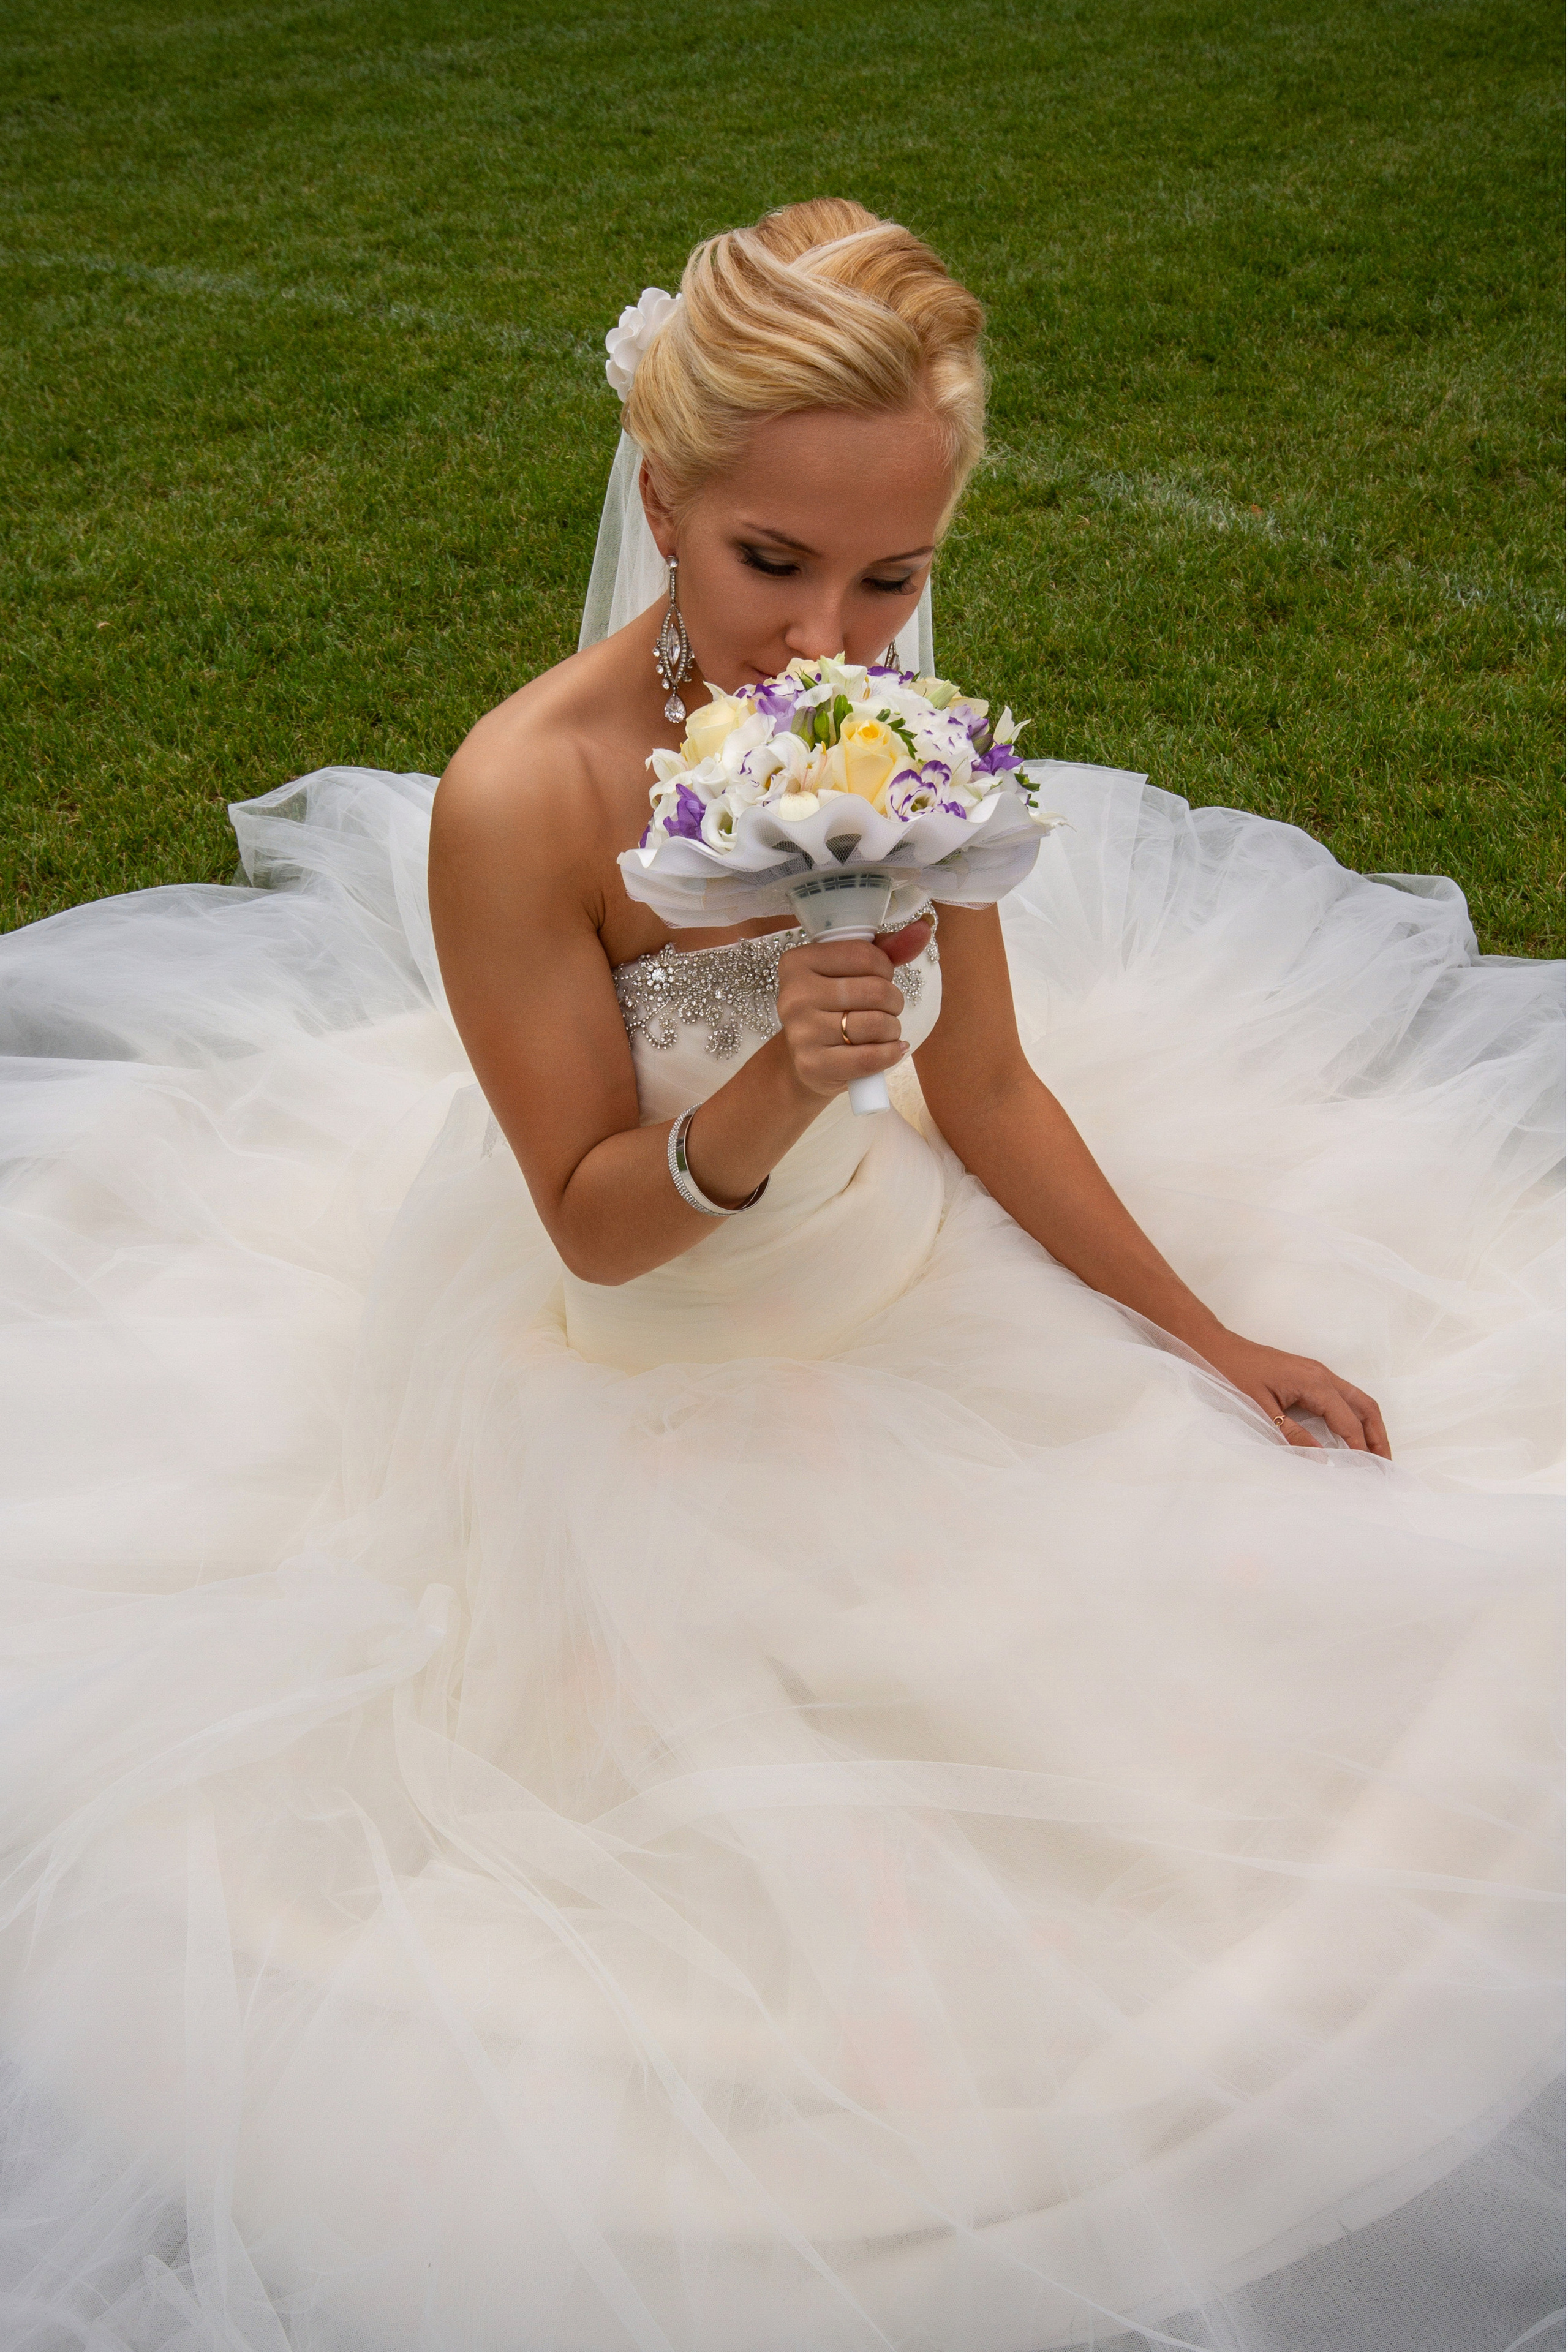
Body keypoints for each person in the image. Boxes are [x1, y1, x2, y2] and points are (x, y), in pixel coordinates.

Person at [0, 198, 1559, 2352]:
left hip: (897, 1278)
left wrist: (1202, 1334)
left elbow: (985, 1087)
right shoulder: (522, 797)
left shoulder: (885, 729)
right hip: (633, 1354)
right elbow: (589, 1220)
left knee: (1279, 1692)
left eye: (892, 576)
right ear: (663, 500)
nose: (831, 635)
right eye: (772, 561)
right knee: (797, 1914)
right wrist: (782, 1084)